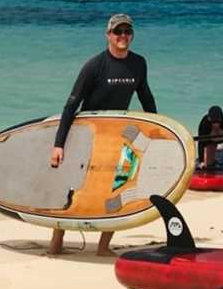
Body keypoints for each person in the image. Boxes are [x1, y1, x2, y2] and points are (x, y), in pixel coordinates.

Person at [48, 13, 157, 256]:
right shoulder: (95, 65)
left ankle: (104, 247)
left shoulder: (139, 63)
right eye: (118, 31)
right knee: (76, 187)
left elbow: (146, 96)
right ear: (108, 35)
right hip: (90, 135)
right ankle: (56, 243)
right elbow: (71, 106)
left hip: (119, 135)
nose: (123, 36)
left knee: (118, 188)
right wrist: (59, 145)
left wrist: (157, 130)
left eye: (127, 31)